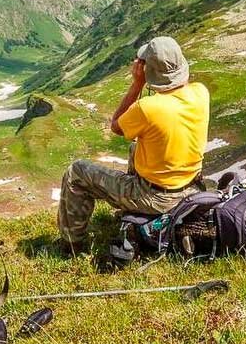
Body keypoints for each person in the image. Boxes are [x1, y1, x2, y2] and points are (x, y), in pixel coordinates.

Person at [58, 36, 210, 251]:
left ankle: (71, 244)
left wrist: (138, 82)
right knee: (135, 148)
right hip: (191, 189)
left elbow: (116, 126)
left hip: (156, 198)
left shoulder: (148, 108)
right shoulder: (201, 92)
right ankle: (130, 214)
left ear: (148, 70)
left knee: (76, 172)